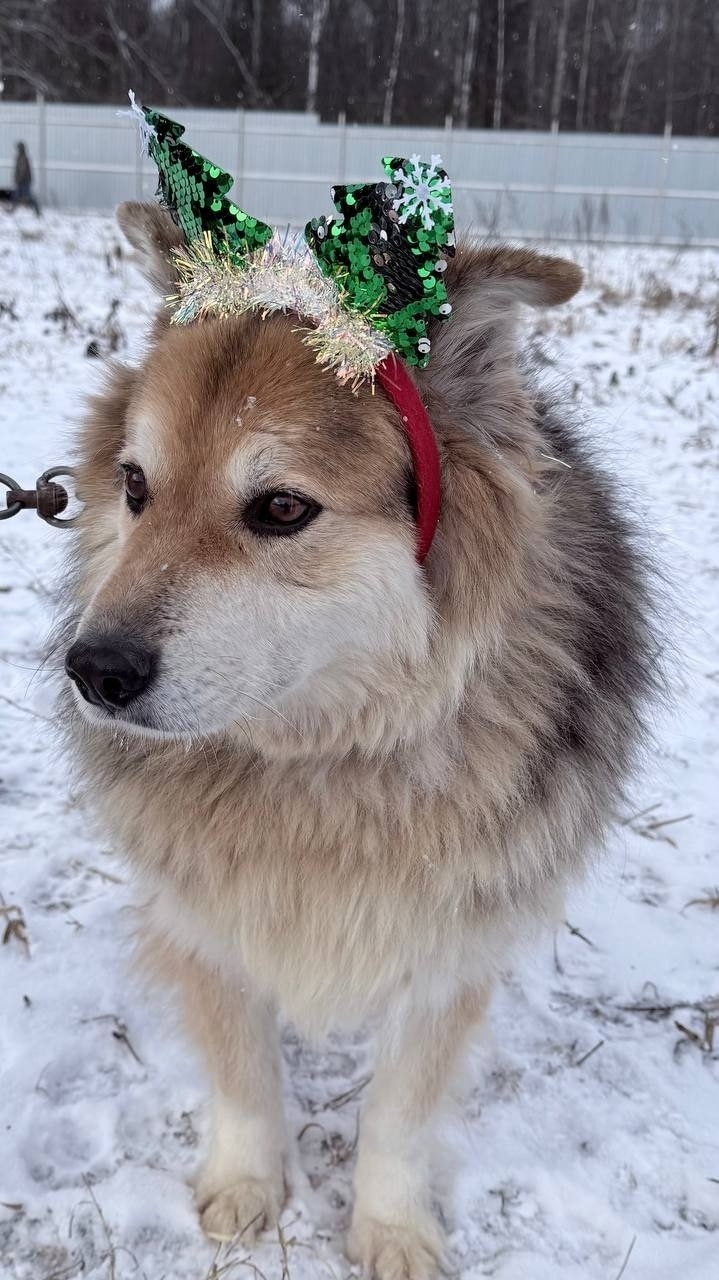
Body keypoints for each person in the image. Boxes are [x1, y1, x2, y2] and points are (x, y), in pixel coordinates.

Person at [11, 142, 41, 215]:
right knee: (18, 195)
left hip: (24, 181)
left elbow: (22, 170)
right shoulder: (21, 157)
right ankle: (12, 210)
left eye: (18, 148)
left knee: (26, 197)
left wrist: (18, 179)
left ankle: (37, 209)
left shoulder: (22, 158)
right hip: (24, 180)